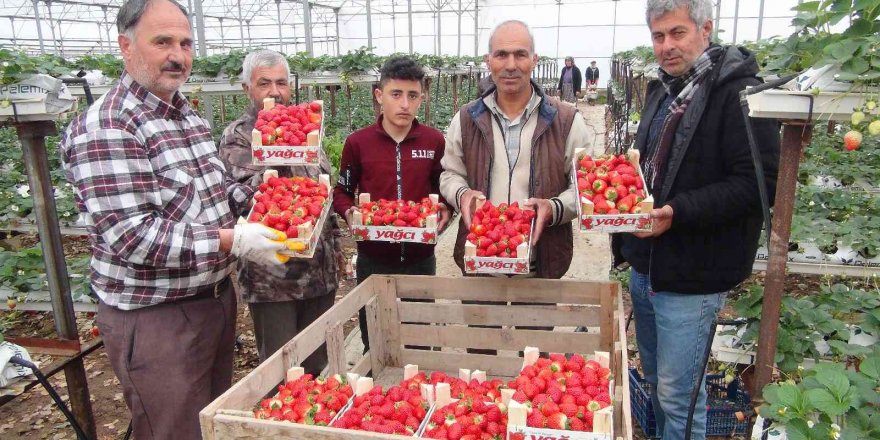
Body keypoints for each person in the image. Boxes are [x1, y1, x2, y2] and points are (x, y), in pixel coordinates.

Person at [59, 0, 290, 439]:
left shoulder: (185, 116)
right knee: (175, 430)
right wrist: (234, 241)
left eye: (185, 42)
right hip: (156, 318)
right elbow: (134, 238)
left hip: (212, 302)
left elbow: (218, 194)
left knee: (207, 424)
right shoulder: (110, 126)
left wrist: (268, 197)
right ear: (126, 46)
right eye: (162, 41)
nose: (177, 54)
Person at [616, 1, 780, 439]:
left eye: (677, 33)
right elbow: (648, 169)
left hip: (694, 273)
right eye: (658, 36)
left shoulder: (741, 93)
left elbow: (756, 184)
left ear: (705, 29)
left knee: (679, 395)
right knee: (654, 381)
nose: (666, 46)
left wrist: (678, 211)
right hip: (647, 265)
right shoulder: (662, 91)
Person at [217, 50, 343, 374]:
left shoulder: (306, 127)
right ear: (247, 89)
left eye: (281, 83)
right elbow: (240, 197)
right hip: (273, 280)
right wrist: (276, 157)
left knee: (317, 365)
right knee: (281, 371)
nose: (275, 91)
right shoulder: (239, 136)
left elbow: (323, 190)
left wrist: (337, 248)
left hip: (319, 273)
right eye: (264, 83)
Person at [441, 20, 590, 279]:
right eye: (501, 54)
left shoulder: (566, 120)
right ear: (488, 61)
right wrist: (462, 195)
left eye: (520, 54)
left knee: (533, 321)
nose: (511, 65)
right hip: (481, 259)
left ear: (534, 60)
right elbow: (450, 173)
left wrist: (554, 208)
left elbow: (584, 185)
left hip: (541, 262)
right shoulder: (465, 119)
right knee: (481, 320)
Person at [332, 56, 450, 352]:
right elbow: (342, 191)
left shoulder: (434, 142)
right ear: (379, 95)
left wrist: (446, 208)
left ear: (422, 98)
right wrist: (350, 212)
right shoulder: (358, 143)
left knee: (421, 336)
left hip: (420, 258)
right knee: (376, 338)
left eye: (413, 96)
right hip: (373, 259)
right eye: (396, 94)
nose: (405, 105)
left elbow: (444, 188)